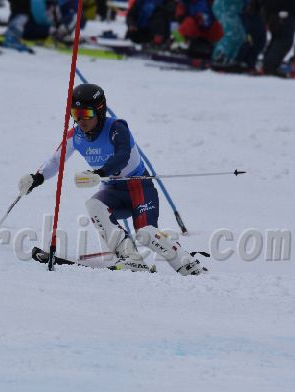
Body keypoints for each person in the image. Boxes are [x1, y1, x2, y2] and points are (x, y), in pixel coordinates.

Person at [16, 84, 205, 276]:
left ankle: (189, 265)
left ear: (99, 111)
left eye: (86, 114)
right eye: (76, 114)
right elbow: (55, 160)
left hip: (138, 186)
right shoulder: (75, 136)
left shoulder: (117, 128)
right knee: (94, 204)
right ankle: (131, 258)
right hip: (113, 189)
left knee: (146, 233)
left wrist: (101, 172)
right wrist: (37, 178)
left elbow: (122, 156)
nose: (80, 120)